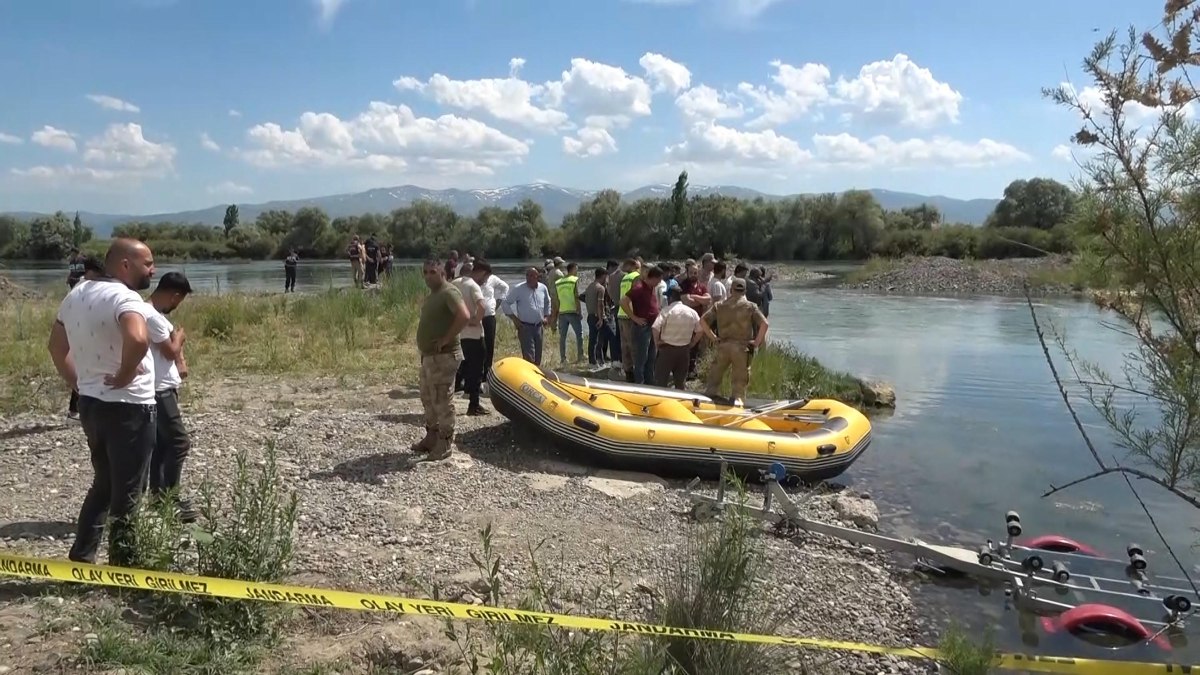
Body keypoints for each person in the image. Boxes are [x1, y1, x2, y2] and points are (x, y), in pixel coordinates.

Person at [48, 238, 158, 565]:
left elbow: (56, 347)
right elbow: (138, 338)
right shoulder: (125, 296)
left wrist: (78, 384)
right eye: (148, 263)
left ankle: (82, 556)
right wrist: (125, 374)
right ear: (126, 265)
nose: (154, 269)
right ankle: (125, 567)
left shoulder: (77, 294)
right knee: (129, 492)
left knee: (104, 484)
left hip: (93, 406)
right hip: (130, 408)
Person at [143, 271, 197, 523]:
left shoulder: (151, 313)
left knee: (162, 445)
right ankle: (170, 500)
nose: (177, 305)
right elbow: (169, 351)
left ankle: (158, 498)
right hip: (159, 390)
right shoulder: (152, 316)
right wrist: (180, 339)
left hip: (161, 387)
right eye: (179, 300)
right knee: (178, 443)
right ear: (174, 295)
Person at [413, 259, 470, 461]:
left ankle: (445, 443)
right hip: (429, 357)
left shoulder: (449, 292)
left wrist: (446, 338)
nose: (428, 276)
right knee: (427, 397)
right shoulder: (433, 295)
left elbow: (464, 315)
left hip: (444, 356)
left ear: (443, 273)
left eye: (433, 272)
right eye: (426, 272)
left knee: (442, 400)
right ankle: (431, 436)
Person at [700, 277, 769, 403]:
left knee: (714, 379)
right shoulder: (750, 307)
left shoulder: (719, 306)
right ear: (745, 291)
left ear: (731, 289)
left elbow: (702, 320)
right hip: (741, 348)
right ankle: (736, 402)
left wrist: (713, 338)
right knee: (739, 382)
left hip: (723, 345)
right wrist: (757, 342)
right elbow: (765, 324)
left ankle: (708, 400)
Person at [452, 262, 489, 416]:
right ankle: (474, 405)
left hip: (456, 334)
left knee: (456, 369)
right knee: (476, 370)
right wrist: (474, 320)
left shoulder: (452, 285)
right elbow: (482, 306)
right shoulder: (472, 285)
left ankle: (446, 404)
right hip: (473, 336)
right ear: (475, 273)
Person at [619, 265, 662, 385]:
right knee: (641, 358)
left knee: (651, 357)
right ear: (653, 278)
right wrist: (634, 318)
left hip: (653, 326)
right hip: (643, 327)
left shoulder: (651, 288)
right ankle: (639, 383)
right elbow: (623, 301)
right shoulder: (639, 288)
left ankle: (649, 382)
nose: (659, 283)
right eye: (658, 280)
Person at [653, 286, 703, 389]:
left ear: (671, 298)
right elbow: (700, 330)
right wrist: (692, 343)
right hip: (684, 350)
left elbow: (655, 327)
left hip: (667, 349)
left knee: (661, 382)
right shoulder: (691, 312)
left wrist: (657, 342)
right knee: (680, 383)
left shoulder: (666, 311)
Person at [500, 267, 552, 366]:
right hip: (525, 327)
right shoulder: (519, 289)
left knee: (538, 356)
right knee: (529, 358)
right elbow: (505, 303)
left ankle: (537, 377)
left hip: (539, 327)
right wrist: (514, 319)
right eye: (527, 275)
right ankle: (528, 377)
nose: (529, 278)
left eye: (532, 276)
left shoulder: (543, 288)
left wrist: (547, 316)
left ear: (538, 277)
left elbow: (547, 302)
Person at [472, 260, 508, 379]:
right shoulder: (471, 281)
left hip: (489, 316)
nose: (486, 277)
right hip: (475, 318)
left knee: (489, 344)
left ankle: (486, 372)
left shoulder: (492, 279)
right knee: (476, 345)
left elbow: (505, 287)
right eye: (485, 274)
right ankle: (474, 371)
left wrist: (498, 302)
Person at [552, 261, 584, 364]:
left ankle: (563, 359)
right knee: (579, 335)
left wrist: (557, 311)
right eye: (577, 269)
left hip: (562, 312)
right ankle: (580, 356)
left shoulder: (559, 282)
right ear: (573, 269)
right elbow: (576, 296)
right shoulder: (574, 280)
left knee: (563, 337)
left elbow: (556, 299)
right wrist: (580, 310)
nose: (577, 272)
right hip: (572, 311)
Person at [615, 258, 641, 379]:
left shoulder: (625, 278)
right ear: (635, 266)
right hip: (630, 314)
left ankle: (628, 371)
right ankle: (636, 371)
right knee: (633, 345)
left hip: (621, 313)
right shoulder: (636, 277)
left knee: (624, 344)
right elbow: (637, 296)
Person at [584, 267, 610, 367]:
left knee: (592, 340)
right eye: (606, 277)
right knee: (604, 338)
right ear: (603, 276)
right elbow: (600, 304)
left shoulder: (589, 287)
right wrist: (600, 318)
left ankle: (593, 361)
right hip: (597, 316)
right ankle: (600, 361)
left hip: (590, 315)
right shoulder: (601, 288)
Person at [604, 259, 623, 364]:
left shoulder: (610, 278)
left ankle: (615, 359)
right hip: (621, 308)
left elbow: (610, 292)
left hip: (614, 307)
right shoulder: (621, 276)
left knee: (615, 335)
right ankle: (619, 359)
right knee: (619, 335)